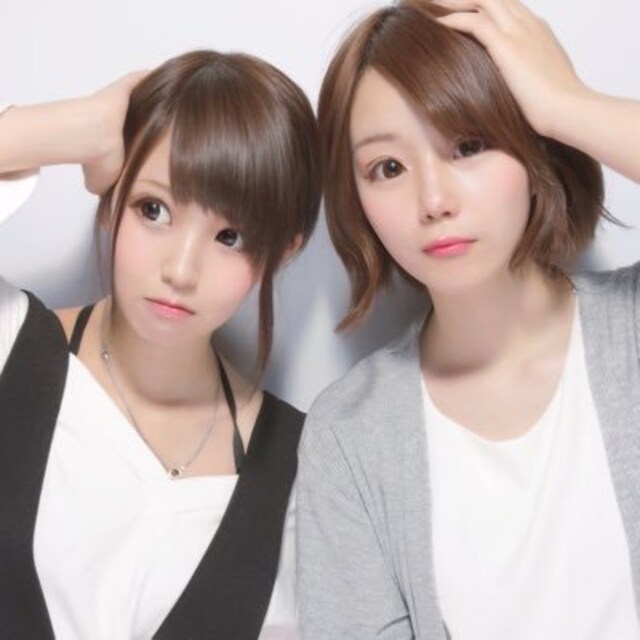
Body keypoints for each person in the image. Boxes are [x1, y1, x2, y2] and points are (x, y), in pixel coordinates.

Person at [297, 0, 640, 637]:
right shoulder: (350, 433)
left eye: (468, 145)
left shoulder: (632, 330)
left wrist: (568, 106)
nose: (433, 201)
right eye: (388, 168)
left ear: (533, 147)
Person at [0, 49, 320, 639]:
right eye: (154, 209)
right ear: (111, 201)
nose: (181, 268)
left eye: (230, 235)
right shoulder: (11, 345)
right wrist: (69, 127)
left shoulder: (300, 471)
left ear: (283, 250)